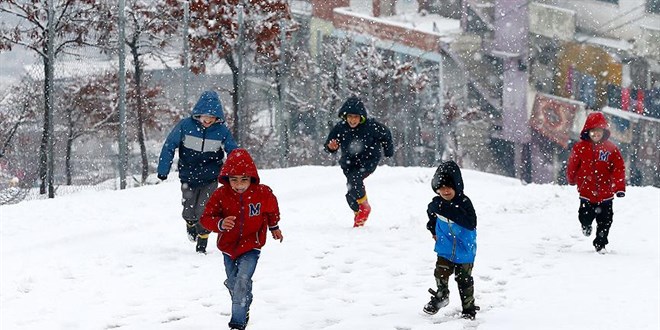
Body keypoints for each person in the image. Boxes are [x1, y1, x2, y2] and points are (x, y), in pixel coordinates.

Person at [199, 148, 283, 330]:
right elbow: (206, 218)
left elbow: (271, 209)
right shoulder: (220, 195)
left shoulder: (262, 193)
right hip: (228, 247)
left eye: (244, 179)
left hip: (252, 244)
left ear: (252, 177)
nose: (239, 185)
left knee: (242, 280)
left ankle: (237, 323)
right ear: (227, 178)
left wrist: (274, 226)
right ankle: (244, 303)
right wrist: (220, 223)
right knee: (233, 283)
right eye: (234, 180)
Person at [157, 90, 238, 254]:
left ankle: (203, 239)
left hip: (210, 177)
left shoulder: (221, 131)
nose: (208, 121)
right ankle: (190, 223)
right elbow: (169, 145)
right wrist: (163, 169)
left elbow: (233, 151)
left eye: (212, 118)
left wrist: (237, 171)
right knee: (189, 210)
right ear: (198, 114)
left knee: (205, 210)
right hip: (188, 175)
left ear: (218, 117)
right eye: (205, 117)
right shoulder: (185, 126)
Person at [323, 96, 394, 227]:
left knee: (355, 180)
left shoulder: (371, 126)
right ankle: (358, 212)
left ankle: (364, 208)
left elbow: (386, 134)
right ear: (345, 116)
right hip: (349, 163)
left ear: (361, 117)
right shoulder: (340, 128)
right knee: (350, 193)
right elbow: (329, 144)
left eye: (356, 117)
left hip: (368, 161)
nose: (352, 120)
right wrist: (330, 147)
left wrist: (388, 151)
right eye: (350, 117)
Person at [423, 160, 479, 320]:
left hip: (464, 248)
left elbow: (471, 222)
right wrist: (432, 229)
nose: (445, 191)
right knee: (440, 272)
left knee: (464, 280)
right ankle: (441, 296)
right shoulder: (436, 204)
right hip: (445, 247)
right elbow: (431, 216)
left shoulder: (464, 203)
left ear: (457, 186)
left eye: (448, 187)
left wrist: (448, 210)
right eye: (441, 187)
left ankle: (468, 308)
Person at [566, 111, 625, 254]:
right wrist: (571, 178)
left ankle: (600, 244)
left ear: (603, 132)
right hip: (586, 191)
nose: (596, 134)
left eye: (598, 131)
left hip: (606, 194)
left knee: (605, 221)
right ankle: (586, 225)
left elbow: (618, 168)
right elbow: (573, 164)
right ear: (588, 132)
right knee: (584, 215)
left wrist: (619, 187)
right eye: (593, 131)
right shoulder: (580, 148)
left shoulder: (611, 149)